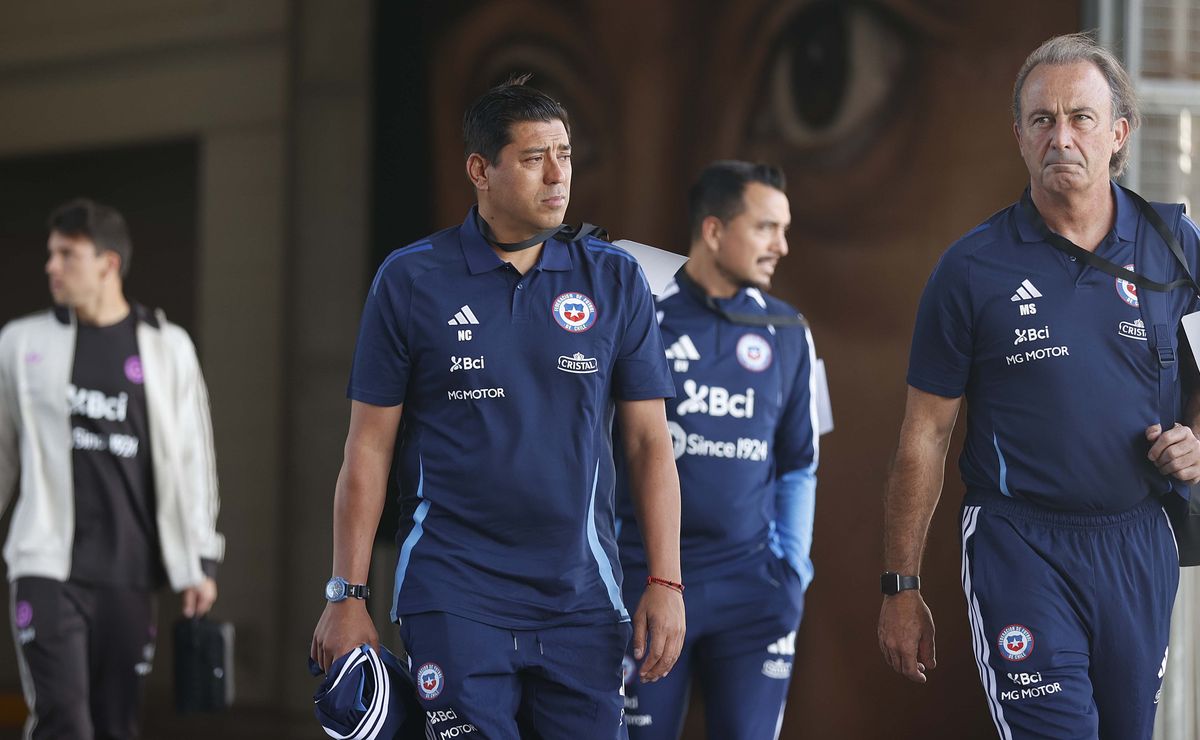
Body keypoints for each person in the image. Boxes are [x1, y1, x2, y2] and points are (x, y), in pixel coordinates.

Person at [310, 76, 685, 739]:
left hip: (583, 599)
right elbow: (367, 447)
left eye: (565, 154)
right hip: (454, 593)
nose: (558, 174)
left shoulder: (615, 277)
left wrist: (666, 580)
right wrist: (348, 593)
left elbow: (650, 443)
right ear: (480, 170)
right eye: (535, 156)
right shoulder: (410, 278)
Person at [877, 32, 1200, 739]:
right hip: (1019, 543)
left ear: (1118, 133)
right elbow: (924, 436)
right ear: (1019, 137)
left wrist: (1196, 440)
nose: (1062, 137)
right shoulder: (970, 269)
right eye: (1042, 120)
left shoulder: (1175, 243)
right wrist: (901, 586)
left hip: (1138, 540)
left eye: (1080, 117)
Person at [0, 198, 223, 739]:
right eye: (50, 254)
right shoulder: (21, 342)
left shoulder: (168, 349)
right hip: (47, 563)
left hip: (130, 571)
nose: (50, 267)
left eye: (66, 255)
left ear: (107, 263)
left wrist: (202, 558)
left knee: (116, 725)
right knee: (65, 719)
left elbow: (196, 457)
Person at [616, 161, 818, 739]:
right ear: (712, 231)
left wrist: (792, 571)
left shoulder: (788, 330)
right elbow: (603, 451)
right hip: (647, 583)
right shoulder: (643, 317)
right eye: (764, 229)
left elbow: (799, 464)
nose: (781, 246)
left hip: (752, 590)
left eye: (784, 229)